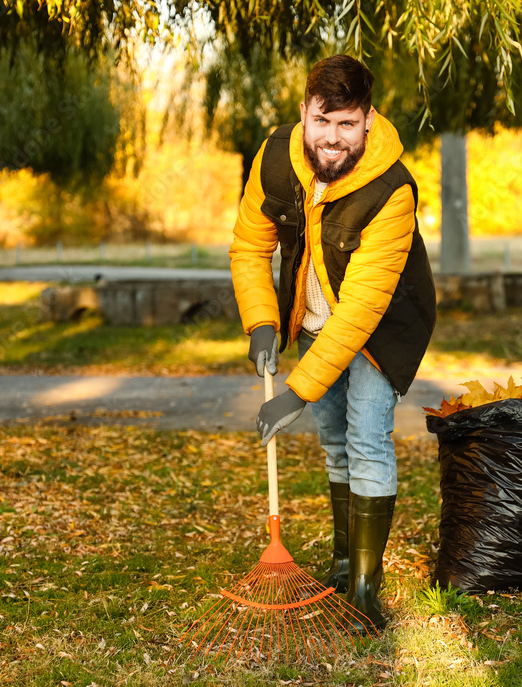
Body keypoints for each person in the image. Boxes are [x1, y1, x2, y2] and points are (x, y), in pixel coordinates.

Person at [228, 54, 437, 630]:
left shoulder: (392, 189)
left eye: (347, 123)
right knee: (335, 444)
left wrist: (295, 391)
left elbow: (362, 309)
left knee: (367, 438)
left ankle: (366, 595)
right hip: (314, 321)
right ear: (304, 114)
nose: (333, 138)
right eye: (323, 121)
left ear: (368, 119)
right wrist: (263, 322)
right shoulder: (275, 158)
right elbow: (250, 247)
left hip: (381, 326)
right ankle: (346, 566)